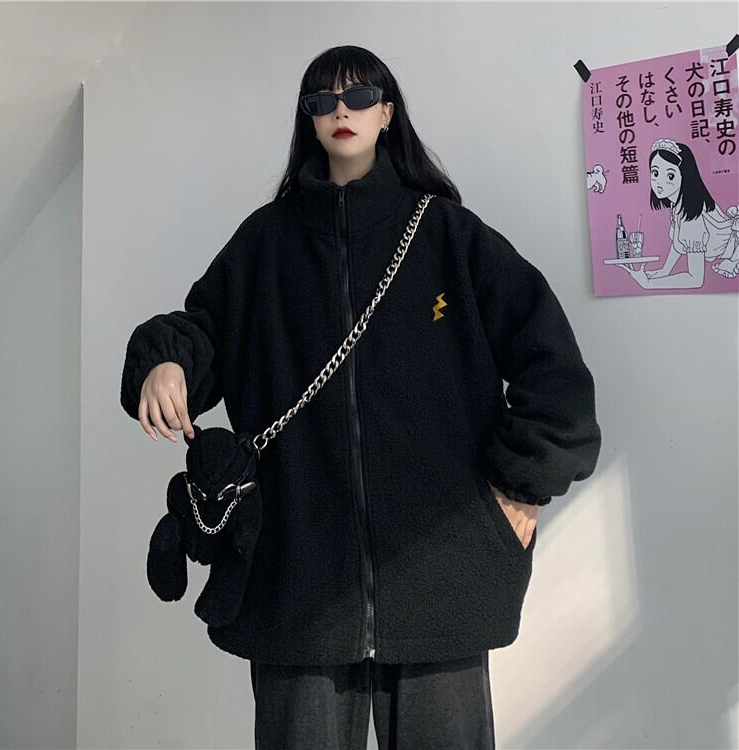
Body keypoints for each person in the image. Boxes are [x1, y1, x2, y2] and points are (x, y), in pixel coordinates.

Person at [120, 44, 602, 750]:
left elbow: (554, 370)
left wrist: (520, 489)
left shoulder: (449, 237)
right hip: (298, 580)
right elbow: (203, 331)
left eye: (359, 96)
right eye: (322, 100)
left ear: (387, 113)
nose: (340, 110)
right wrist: (165, 361)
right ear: (309, 121)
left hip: (442, 569)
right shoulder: (265, 245)